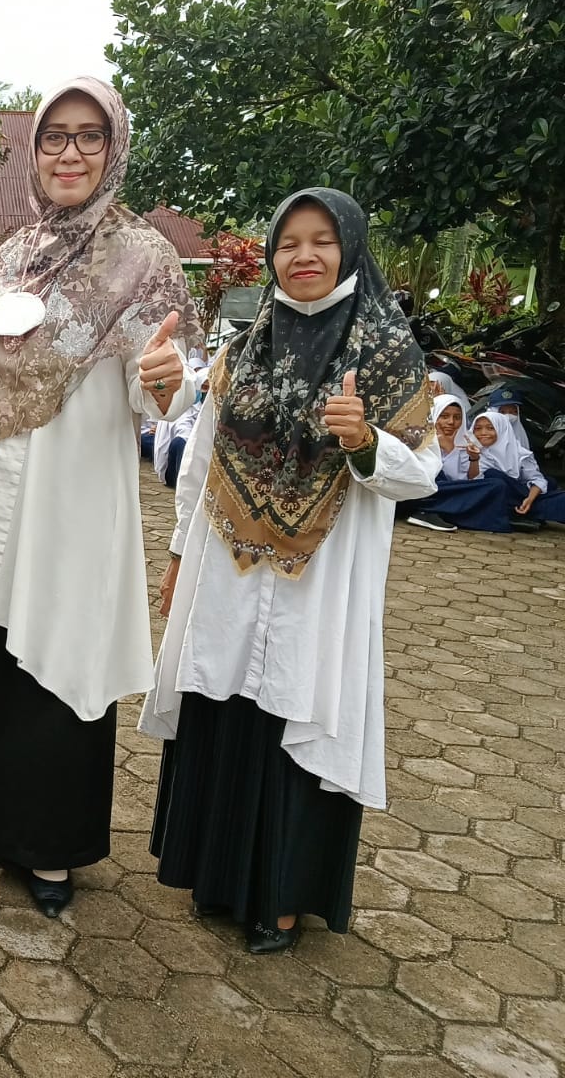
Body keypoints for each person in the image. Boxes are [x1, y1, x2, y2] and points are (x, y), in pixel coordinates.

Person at [0, 77, 200, 918]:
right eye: (54, 137)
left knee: (58, 660)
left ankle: (52, 849)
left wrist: (168, 379)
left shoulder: (143, 257)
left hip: (72, 506)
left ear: (114, 147)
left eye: (88, 136)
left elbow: (162, 391)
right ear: (35, 151)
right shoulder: (13, 256)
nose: (69, 152)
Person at [141, 187, 438, 954]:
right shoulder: (246, 349)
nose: (303, 256)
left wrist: (366, 441)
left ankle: (280, 898)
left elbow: (422, 474)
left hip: (321, 580)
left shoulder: (387, 356)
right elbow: (200, 461)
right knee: (223, 702)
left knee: (296, 710)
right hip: (228, 570)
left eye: (321, 241)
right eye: (288, 243)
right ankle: (213, 876)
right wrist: (176, 555)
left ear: (351, 249)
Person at [397, 395, 512, 532]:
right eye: (444, 416)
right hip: (416, 492)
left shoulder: (466, 442)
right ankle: (427, 510)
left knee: (497, 486)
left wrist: (455, 451)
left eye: (457, 417)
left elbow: (460, 482)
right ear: (433, 416)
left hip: (443, 492)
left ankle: (428, 512)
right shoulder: (415, 438)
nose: (451, 422)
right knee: (435, 475)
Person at [472, 410, 565, 528]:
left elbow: (537, 479)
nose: (483, 433)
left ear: (502, 429)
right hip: (493, 499)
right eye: (478, 429)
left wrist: (529, 500)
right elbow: (473, 482)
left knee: (548, 483)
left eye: (490, 428)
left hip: (518, 496)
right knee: (493, 477)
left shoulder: (518, 452)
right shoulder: (469, 451)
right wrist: (473, 458)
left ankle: (524, 511)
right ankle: (524, 512)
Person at [152, 369, 209, 487]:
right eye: (204, 387)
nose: (207, 392)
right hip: (171, 468)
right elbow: (184, 434)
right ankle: (185, 485)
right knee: (181, 443)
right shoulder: (185, 408)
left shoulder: (205, 408)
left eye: (210, 389)